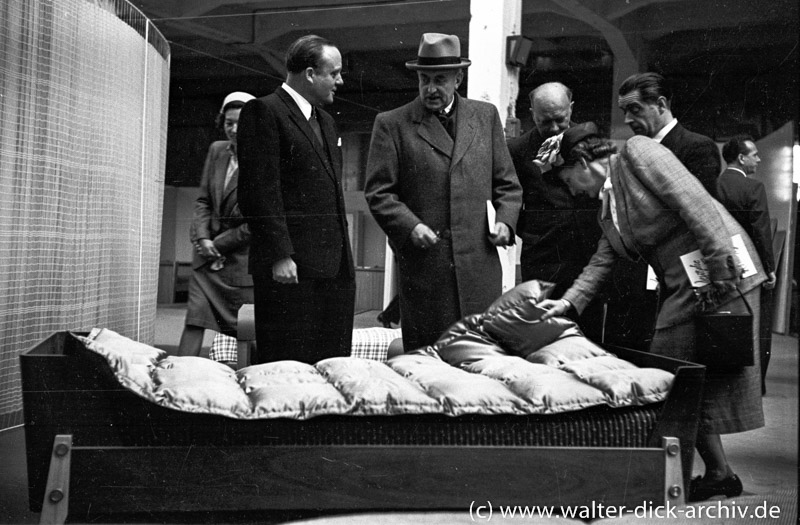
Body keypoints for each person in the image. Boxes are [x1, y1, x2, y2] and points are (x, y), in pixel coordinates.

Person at [538, 123, 767, 502]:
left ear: (582, 162)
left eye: (567, 180)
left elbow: (694, 201)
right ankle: (718, 474)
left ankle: (665, 475)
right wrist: (568, 302)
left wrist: (720, 269)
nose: (572, 190)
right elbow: (603, 258)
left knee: (671, 371)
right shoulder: (608, 206)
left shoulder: (638, 152)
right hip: (687, 284)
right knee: (685, 378)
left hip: (720, 273)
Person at [365, 33, 522, 351]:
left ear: (458, 78)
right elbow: (379, 192)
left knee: (481, 359)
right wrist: (411, 226)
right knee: (428, 364)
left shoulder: (485, 116)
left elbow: (507, 184)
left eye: (440, 79)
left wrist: (505, 221)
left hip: (479, 271)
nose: (430, 89)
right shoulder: (393, 124)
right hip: (427, 273)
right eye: (424, 79)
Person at [237, 35, 355, 364]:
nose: (340, 81)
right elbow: (258, 192)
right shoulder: (263, 111)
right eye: (334, 73)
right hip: (289, 271)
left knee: (331, 366)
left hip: (334, 270)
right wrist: (279, 255)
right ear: (309, 74)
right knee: (288, 368)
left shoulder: (327, 123)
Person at [507, 82, 603, 340]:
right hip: (543, 256)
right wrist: (530, 231)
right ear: (532, 114)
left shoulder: (590, 141)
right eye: (543, 121)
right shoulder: (517, 150)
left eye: (559, 119)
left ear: (571, 109)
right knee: (544, 333)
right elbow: (507, 196)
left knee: (588, 332)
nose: (553, 128)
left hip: (587, 253)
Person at [177, 92, 256, 361]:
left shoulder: (263, 160)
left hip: (238, 259)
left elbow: (257, 223)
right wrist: (202, 238)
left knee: (245, 328)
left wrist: (218, 244)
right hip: (205, 258)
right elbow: (203, 200)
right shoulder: (216, 150)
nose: (233, 130)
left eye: (240, 123)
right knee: (194, 321)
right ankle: (181, 375)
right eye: (228, 123)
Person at [718, 136, 777, 393]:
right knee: (758, 325)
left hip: (719, 265)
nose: (759, 159)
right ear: (741, 158)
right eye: (754, 154)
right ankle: (755, 385)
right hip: (752, 268)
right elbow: (761, 231)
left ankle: (724, 380)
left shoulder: (712, 185)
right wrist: (770, 268)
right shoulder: (753, 188)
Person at [617, 72, 721, 198]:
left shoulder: (698, 147)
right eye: (624, 112)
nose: (627, 120)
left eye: (635, 109)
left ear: (661, 105)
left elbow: (704, 210)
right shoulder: (631, 153)